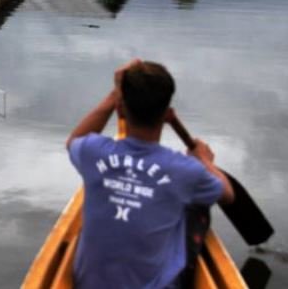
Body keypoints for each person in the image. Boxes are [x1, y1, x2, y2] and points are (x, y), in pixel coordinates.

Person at [66, 60, 235, 289]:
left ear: (120, 108)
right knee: (194, 205)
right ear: (167, 115)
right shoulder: (186, 170)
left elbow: (73, 141)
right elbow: (227, 194)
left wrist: (114, 94)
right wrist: (204, 160)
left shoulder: (92, 152)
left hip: (88, 284)